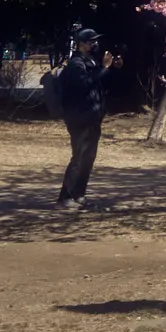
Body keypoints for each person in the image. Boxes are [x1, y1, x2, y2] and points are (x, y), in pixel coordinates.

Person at [54, 29, 114, 209]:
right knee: (79, 157)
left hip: (93, 116)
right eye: (90, 42)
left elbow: (100, 83)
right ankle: (64, 198)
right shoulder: (75, 64)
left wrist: (111, 68)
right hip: (79, 117)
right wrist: (103, 68)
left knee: (89, 157)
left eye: (95, 41)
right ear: (81, 44)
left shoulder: (91, 62)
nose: (94, 44)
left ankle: (79, 194)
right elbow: (85, 84)